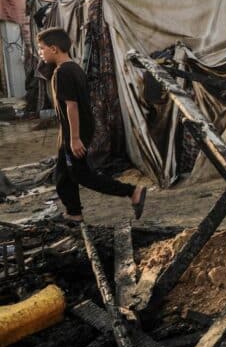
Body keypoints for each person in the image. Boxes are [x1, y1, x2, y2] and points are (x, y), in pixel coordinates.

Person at [37, 27, 147, 224]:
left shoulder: (63, 72)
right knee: (63, 176)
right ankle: (74, 213)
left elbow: (72, 106)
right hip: (74, 131)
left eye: (42, 48)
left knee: (82, 175)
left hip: (75, 132)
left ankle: (132, 191)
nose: (40, 53)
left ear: (54, 49)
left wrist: (75, 138)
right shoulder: (74, 68)